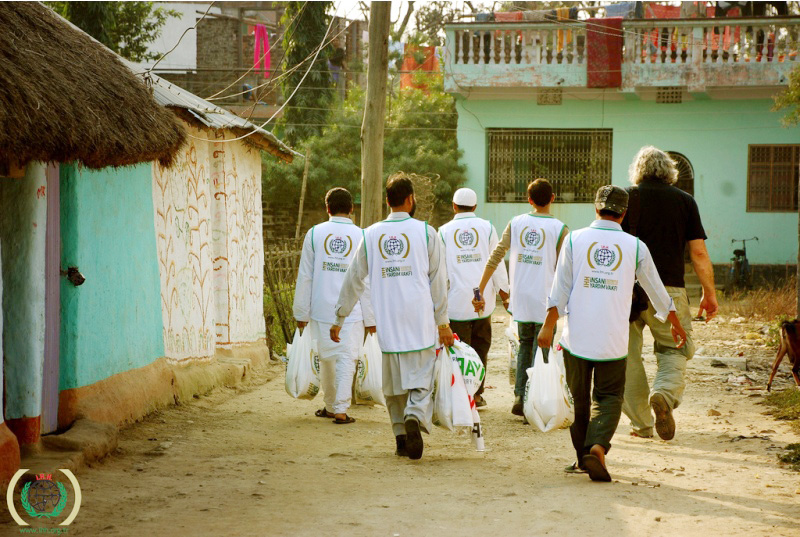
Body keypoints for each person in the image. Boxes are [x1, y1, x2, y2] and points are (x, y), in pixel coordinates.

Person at [538, 185, 687, 482]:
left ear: (596, 208)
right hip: (613, 342)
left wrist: (548, 324)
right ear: (624, 213)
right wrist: (674, 319)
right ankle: (598, 447)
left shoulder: (574, 240)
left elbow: (560, 288)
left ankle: (583, 457)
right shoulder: (635, 246)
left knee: (578, 399)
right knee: (608, 398)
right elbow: (655, 288)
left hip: (576, 338)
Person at [331, 174, 453, 460]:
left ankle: (400, 435)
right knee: (420, 382)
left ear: (387, 201)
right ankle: (414, 416)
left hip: (388, 325)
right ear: (410, 199)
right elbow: (439, 281)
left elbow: (353, 279)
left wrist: (340, 316)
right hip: (420, 323)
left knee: (393, 387)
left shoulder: (371, 234)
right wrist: (443, 322)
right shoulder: (426, 232)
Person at [621, 146, 718, 441]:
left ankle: (641, 424)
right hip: (670, 290)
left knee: (626, 356)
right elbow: (698, 253)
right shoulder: (685, 202)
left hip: (626, 291)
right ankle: (663, 393)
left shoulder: (625, 198)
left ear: (638, 170)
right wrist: (709, 293)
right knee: (675, 347)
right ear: (670, 172)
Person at [473, 179, 567, 417]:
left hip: (522, 297)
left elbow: (495, 256)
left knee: (525, 344)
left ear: (529, 199)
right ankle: (533, 402)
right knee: (542, 348)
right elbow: (566, 270)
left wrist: (480, 288)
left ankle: (520, 396)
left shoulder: (516, 223)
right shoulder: (561, 229)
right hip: (547, 300)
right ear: (553, 198)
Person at [293, 188, 375, 425]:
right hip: (352, 310)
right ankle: (338, 408)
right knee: (347, 358)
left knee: (326, 358)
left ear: (327, 208)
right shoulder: (362, 235)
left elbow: (305, 275)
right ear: (352, 209)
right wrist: (371, 318)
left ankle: (331, 406)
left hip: (320, 308)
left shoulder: (314, 234)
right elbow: (366, 281)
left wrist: (302, 312)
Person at [438, 187, 509, 408]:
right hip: (482, 302)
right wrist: (504, 293)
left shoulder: (443, 231)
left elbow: (441, 271)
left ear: (454, 206)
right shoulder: (487, 228)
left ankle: (460, 395)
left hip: (456, 302)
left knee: (459, 350)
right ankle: (477, 395)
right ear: (475, 207)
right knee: (480, 349)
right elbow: (496, 264)